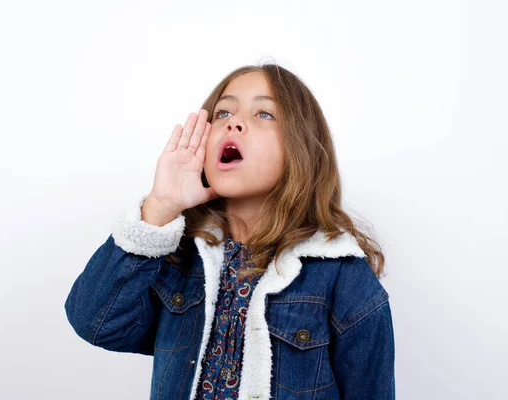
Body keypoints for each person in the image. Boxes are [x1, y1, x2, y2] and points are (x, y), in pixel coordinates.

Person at [64, 63, 395, 400]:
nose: (234, 122)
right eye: (223, 112)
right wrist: (160, 206)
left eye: (264, 114)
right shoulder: (179, 257)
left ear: (301, 146)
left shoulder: (342, 276)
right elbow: (96, 323)